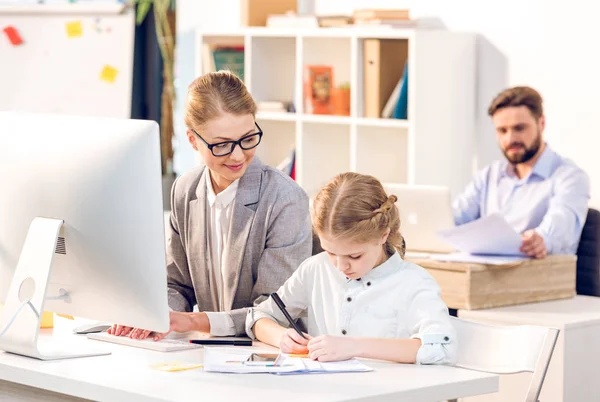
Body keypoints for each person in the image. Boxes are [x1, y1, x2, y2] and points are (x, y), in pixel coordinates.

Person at [108, 71, 312, 340]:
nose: (238, 155)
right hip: (209, 351)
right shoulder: (186, 190)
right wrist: (155, 317)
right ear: (192, 140)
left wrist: (192, 320)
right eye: (222, 145)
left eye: (248, 138)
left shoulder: (284, 199)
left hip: (269, 353)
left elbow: (273, 312)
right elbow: (177, 284)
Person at [246, 172, 456, 364]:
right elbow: (259, 317)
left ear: (383, 235)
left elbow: (442, 348)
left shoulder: (413, 282)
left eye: (354, 256)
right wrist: (281, 337)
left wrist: (355, 346)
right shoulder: (316, 268)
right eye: (330, 252)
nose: (340, 265)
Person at [453, 86, 589, 258]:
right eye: (502, 130)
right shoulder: (489, 175)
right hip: (488, 275)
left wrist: (542, 239)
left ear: (541, 123)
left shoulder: (569, 177)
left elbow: (561, 223)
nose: (510, 139)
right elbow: (456, 218)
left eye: (519, 128)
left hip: (537, 276)